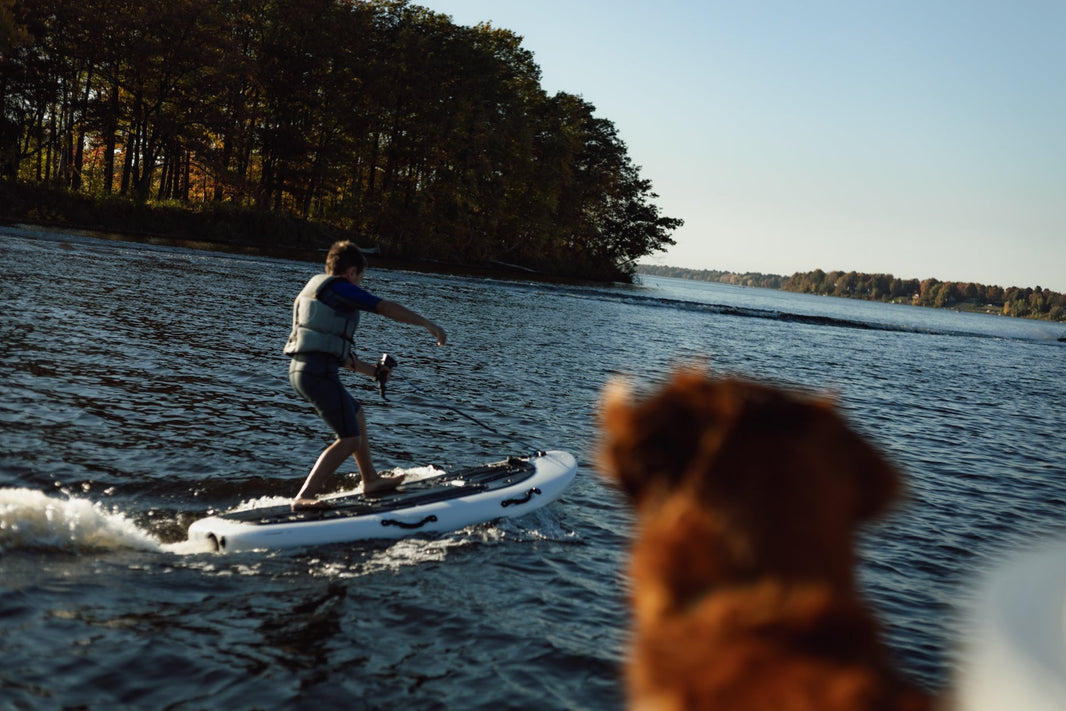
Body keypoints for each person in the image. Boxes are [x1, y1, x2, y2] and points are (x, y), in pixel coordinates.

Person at [284, 240, 446, 510]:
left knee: (357, 416)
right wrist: (428, 324)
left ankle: (369, 479)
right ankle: (303, 497)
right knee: (349, 440)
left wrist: (373, 372)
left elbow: (340, 357)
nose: (360, 284)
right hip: (318, 374)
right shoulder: (341, 288)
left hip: (304, 371)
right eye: (361, 277)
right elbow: (384, 307)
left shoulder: (318, 291)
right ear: (351, 273)